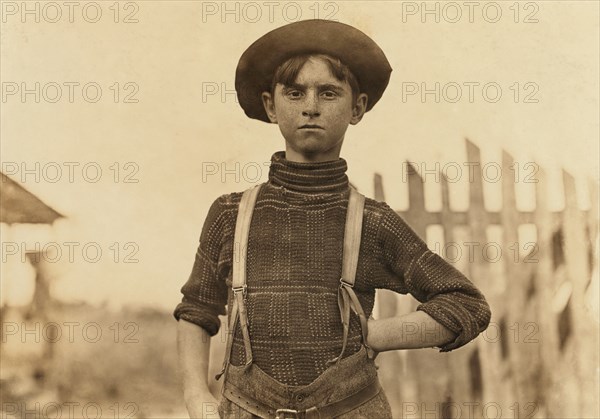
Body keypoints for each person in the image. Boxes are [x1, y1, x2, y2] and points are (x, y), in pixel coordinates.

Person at [174, 19, 491, 419]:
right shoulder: (230, 214)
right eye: (294, 93)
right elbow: (196, 310)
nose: (310, 106)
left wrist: (375, 334)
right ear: (271, 106)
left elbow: (467, 305)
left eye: (328, 93)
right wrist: (194, 394)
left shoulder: (374, 222)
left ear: (356, 108)